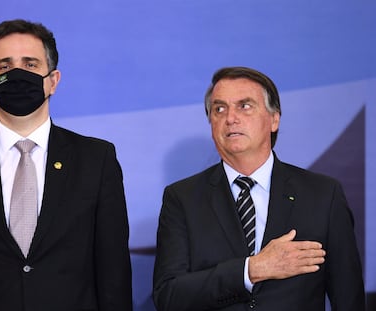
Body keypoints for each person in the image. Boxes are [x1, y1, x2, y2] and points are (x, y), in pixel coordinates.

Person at [153, 66, 365, 311]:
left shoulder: (323, 195)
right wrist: (250, 270)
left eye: (245, 106)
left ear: (274, 119)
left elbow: (348, 299)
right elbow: (168, 296)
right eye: (219, 109)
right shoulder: (182, 198)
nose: (230, 118)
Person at [0, 19, 132, 311]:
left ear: (53, 80)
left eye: (30, 65)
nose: (17, 74)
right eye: (4, 67)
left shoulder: (96, 159)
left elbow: (113, 272)